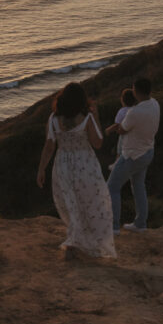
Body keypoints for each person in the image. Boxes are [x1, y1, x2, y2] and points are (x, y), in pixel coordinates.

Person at [36, 82, 116, 259]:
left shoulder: (53, 119)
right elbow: (98, 143)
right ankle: (85, 242)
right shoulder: (87, 118)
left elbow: (49, 146)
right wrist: (96, 118)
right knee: (91, 203)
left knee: (72, 204)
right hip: (85, 165)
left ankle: (74, 241)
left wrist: (41, 170)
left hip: (63, 164)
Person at [106, 77, 160, 234]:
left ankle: (114, 226)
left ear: (136, 91)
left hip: (132, 155)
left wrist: (113, 129)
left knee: (112, 187)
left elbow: (122, 129)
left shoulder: (134, 112)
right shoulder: (155, 104)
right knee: (138, 186)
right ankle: (141, 223)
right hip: (147, 151)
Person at [108, 88, 138, 171]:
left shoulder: (122, 111)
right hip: (134, 134)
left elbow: (117, 125)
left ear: (122, 100)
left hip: (123, 134)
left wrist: (108, 130)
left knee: (120, 150)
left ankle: (116, 164)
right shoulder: (135, 109)